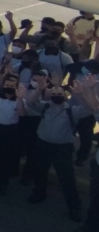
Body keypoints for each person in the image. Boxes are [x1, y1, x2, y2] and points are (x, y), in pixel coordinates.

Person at [26, 78, 98, 222]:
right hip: (43, 145)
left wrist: (82, 94)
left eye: (59, 93)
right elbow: (30, 102)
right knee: (40, 171)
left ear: (65, 96)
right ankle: (39, 193)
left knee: (67, 179)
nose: (56, 96)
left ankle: (74, 207)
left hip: (62, 149)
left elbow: (89, 109)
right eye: (54, 93)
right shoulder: (45, 106)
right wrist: (39, 89)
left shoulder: (73, 111)